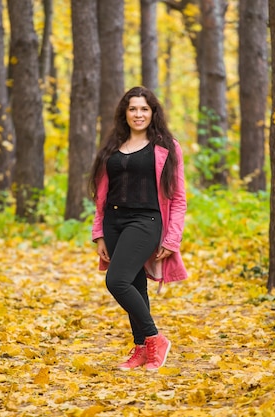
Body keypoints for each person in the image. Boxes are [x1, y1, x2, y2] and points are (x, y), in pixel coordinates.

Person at [90, 86, 188, 372]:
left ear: (153, 112)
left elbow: (179, 198)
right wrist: (99, 234)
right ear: (125, 112)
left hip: (147, 221)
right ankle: (142, 349)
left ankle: (156, 338)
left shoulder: (167, 147)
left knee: (116, 281)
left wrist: (172, 238)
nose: (138, 114)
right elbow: (101, 195)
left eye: (144, 108)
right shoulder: (112, 147)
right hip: (114, 221)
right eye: (133, 108)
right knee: (134, 284)